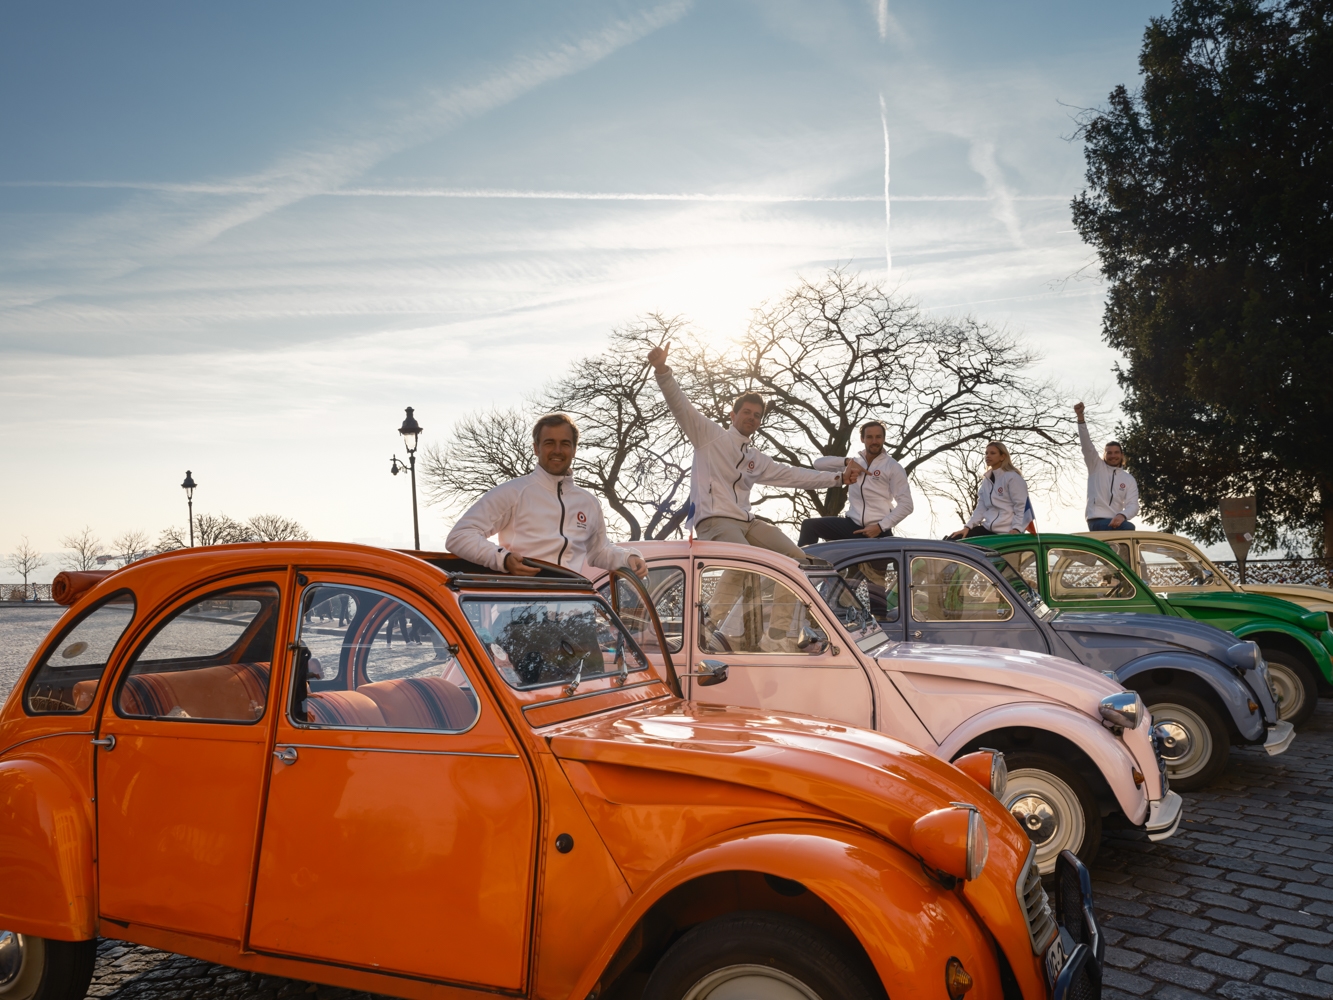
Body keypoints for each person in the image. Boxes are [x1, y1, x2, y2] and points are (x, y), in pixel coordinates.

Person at [648, 342, 858, 650]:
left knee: (797, 560)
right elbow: (681, 406)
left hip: (746, 522)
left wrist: (838, 479)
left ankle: (778, 635)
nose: (751, 418)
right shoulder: (709, 437)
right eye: (746, 412)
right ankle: (706, 625)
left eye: (757, 415)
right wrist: (663, 371)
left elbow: (794, 475)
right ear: (732, 414)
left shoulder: (755, 457)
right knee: (746, 563)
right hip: (715, 520)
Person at [447, 413, 648, 579]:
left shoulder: (588, 502)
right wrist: (503, 559)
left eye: (565, 444)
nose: (558, 450)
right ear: (536, 448)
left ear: (574, 449)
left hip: (574, 610)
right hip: (518, 610)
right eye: (549, 443)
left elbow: (599, 551)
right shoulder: (513, 492)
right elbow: (459, 536)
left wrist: (627, 558)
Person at [798, 420, 914, 544]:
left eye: (878, 437)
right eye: (869, 437)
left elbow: (906, 505)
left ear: (884, 439)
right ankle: (801, 563)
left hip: (879, 531)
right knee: (809, 526)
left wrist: (880, 527)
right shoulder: (854, 463)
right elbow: (818, 464)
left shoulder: (893, 467)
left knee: (884, 563)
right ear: (862, 439)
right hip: (851, 526)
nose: (874, 441)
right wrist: (847, 462)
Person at [1075, 402, 1139, 530]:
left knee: (1129, 532)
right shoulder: (1096, 467)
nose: (1113, 456)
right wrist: (1080, 417)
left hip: (1117, 521)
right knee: (1129, 528)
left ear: (1121, 455)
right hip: (1096, 521)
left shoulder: (1128, 479)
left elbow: (1133, 505)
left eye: (1116, 452)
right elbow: (1086, 445)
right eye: (1109, 453)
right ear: (1104, 455)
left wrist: (1122, 515)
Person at [946, 441, 1029, 538]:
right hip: (988, 529)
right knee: (953, 539)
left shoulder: (1013, 478)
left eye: (992, 453)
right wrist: (968, 527)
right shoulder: (986, 480)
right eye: (986, 453)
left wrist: (1017, 528)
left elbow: (1021, 506)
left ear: (1002, 456)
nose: (988, 456)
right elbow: (981, 507)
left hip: (1007, 531)